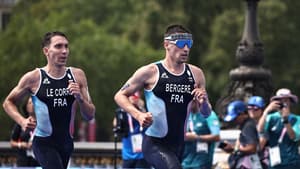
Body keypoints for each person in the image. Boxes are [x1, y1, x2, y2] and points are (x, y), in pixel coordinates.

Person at [114, 24, 211, 169]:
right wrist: (138, 115)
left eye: (189, 44)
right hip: (154, 142)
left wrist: (203, 103)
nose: (186, 49)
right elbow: (120, 95)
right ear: (166, 44)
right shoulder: (150, 71)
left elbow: (206, 112)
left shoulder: (196, 74)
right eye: (181, 44)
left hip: (179, 143)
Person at [2, 31, 95, 169]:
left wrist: (80, 99)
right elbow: (8, 102)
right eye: (58, 46)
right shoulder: (33, 78)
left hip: (66, 143)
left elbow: (90, 115)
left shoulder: (77, 75)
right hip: (43, 142)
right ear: (46, 51)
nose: (64, 51)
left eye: (66, 46)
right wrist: (22, 121)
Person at [257, 88, 300, 169]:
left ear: (290, 102)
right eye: (280, 100)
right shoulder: (271, 117)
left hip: (292, 162)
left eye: (286, 100)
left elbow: (293, 137)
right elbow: (260, 129)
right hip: (275, 162)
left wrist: (286, 120)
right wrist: (266, 111)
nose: (283, 103)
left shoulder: (297, 119)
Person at [113, 92, 151, 169]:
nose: (133, 99)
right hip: (128, 153)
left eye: (136, 97)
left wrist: (141, 108)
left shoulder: (143, 110)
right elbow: (115, 124)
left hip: (142, 153)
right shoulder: (123, 112)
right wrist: (124, 106)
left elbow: (150, 122)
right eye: (131, 97)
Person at [221, 100, 262, 169]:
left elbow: (252, 148)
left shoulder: (248, 126)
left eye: (236, 117)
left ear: (242, 114)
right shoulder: (245, 126)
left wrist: (234, 149)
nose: (234, 120)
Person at [181, 100, 220, 169]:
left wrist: (197, 137)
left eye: (191, 101)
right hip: (186, 161)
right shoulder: (186, 115)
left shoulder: (209, 115)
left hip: (202, 161)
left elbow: (216, 137)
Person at [10, 97, 40, 167]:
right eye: (30, 103)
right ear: (26, 107)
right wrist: (22, 145)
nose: (32, 104)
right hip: (23, 161)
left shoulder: (44, 123)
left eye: (34, 102)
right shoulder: (21, 122)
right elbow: (12, 143)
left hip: (40, 160)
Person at [247, 96, 269, 169]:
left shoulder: (266, 124)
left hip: (263, 160)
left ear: (262, 110)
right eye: (249, 108)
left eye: (255, 108)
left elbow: (259, 147)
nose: (252, 110)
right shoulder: (249, 124)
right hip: (251, 158)